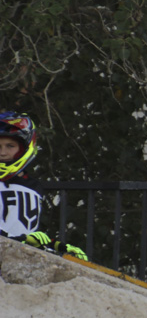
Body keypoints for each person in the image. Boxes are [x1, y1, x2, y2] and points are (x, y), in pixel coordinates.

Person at [0, 111, 87, 260]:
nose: (3, 152)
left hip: (20, 263)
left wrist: (58, 246)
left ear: (24, 148)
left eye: (10, 146)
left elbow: (29, 233)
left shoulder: (34, 187)